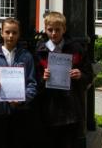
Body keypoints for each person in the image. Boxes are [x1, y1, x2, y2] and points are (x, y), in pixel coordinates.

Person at [33, 11, 92, 148]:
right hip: (49, 108)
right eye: (50, 30)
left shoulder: (76, 49)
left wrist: (80, 75)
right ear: (45, 29)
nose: (54, 33)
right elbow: (33, 79)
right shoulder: (40, 51)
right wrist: (42, 78)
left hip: (71, 110)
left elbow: (89, 74)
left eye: (57, 30)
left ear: (64, 29)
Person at [0, 17, 37, 148]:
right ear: (1, 33)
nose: (11, 36)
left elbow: (32, 84)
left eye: (14, 32)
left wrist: (23, 99)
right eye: (7, 32)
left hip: (20, 112)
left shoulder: (26, 56)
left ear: (19, 34)